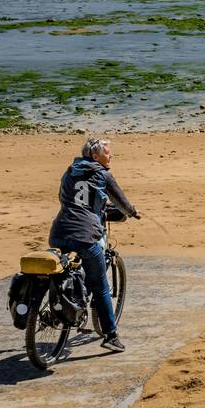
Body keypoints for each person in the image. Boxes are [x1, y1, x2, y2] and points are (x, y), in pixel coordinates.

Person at [48, 136, 140, 352]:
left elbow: (64, 197)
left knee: (66, 270)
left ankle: (63, 308)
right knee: (100, 284)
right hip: (86, 235)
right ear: (95, 156)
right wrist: (133, 212)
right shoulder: (102, 174)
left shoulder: (70, 170)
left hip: (58, 232)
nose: (111, 156)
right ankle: (110, 335)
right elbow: (121, 202)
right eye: (108, 152)